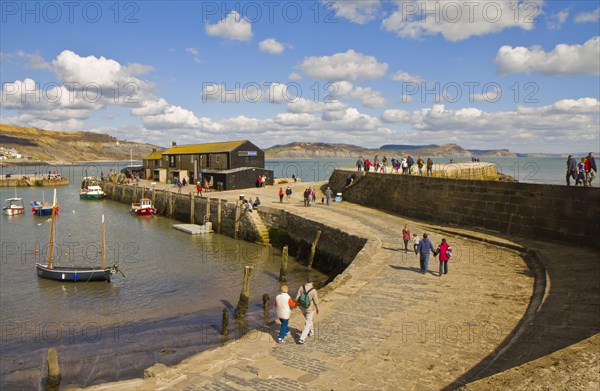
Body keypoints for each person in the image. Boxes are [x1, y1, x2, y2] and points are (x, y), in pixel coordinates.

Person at [294, 277, 319, 344]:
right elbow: (316, 301)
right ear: (312, 282)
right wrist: (317, 308)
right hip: (309, 308)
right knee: (308, 322)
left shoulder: (301, 287)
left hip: (302, 307)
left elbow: (296, 298)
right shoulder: (313, 290)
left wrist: (296, 304)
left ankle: (312, 332)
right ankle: (302, 338)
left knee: (308, 319)